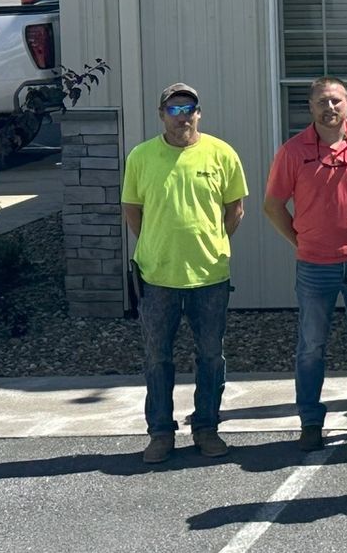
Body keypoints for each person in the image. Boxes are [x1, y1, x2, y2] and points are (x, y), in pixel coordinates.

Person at [264, 76, 347, 450]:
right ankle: (310, 420)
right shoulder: (292, 151)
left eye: (336, 100)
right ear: (311, 106)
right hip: (314, 266)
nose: (330, 107)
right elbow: (272, 205)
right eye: (322, 101)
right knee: (311, 347)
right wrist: (300, 240)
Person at [123, 82, 248, 463]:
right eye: (173, 110)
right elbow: (133, 210)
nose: (182, 117)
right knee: (157, 357)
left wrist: (210, 242)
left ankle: (206, 428)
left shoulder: (222, 153)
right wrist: (158, 244)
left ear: (199, 113)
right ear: (161, 115)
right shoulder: (141, 156)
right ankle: (161, 433)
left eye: (188, 109)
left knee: (210, 355)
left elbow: (235, 210)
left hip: (209, 276)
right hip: (157, 276)